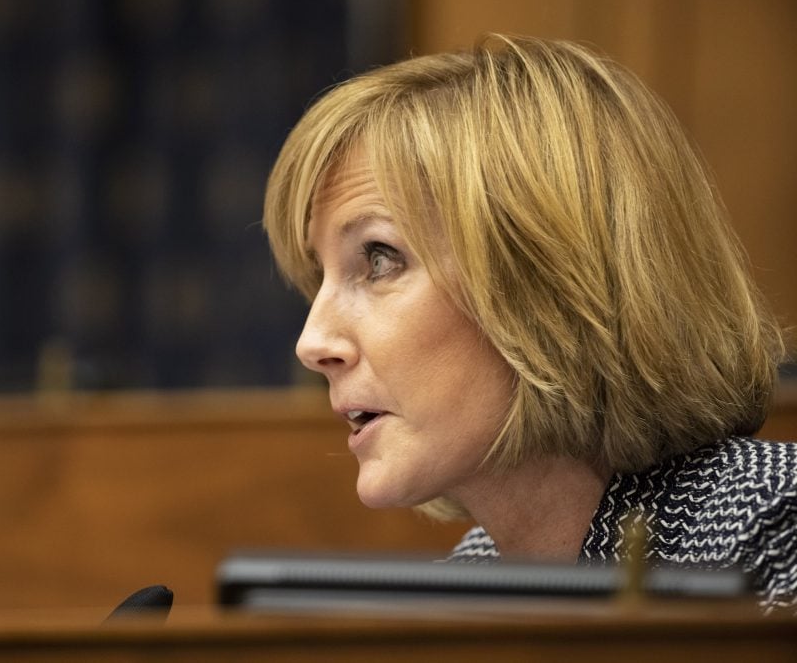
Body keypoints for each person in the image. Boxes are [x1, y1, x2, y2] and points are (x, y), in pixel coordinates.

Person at [263, 35, 796, 612]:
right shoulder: (468, 585)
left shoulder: (771, 527)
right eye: (320, 276)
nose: (312, 343)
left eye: (379, 258)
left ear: (549, 281)